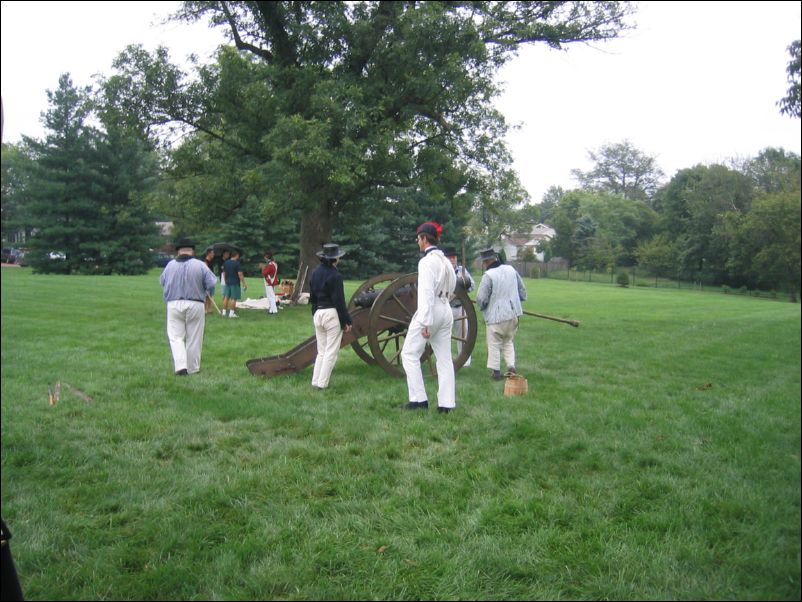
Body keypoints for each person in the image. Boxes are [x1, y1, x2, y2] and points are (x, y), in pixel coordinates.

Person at [401, 221, 457, 413]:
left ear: (424, 239)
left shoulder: (426, 262)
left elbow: (425, 293)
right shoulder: (446, 262)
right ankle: (446, 404)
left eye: (418, 239)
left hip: (431, 309)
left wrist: (425, 321)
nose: (418, 242)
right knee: (444, 359)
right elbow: (453, 286)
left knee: (409, 354)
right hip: (446, 309)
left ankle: (419, 400)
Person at [159, 237, 217, 375]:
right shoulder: (201, 265)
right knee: (194, 337)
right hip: (196, 303)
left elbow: (162, 281)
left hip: (173, 303)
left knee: (175, 337)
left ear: (178, 251)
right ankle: (193, 368)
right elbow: (211, 283)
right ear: (192, 250)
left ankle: (180, 366)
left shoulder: (170, 265)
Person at [475, 248, 527, 380]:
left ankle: (496, 372)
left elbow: (481, 298)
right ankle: (511, 367)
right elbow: (522, 290)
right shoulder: (511, 269)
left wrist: (483, 306)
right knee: (508, 341)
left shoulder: (488, 275)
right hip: (513, 314)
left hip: (496, 317)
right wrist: (517, 301)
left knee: (494, 343)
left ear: (485, 262)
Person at [309, 243, 353, 390]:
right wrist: (346, 321)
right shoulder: (336, 275)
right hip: (331, 313)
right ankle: (322, 384)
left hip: (318, 313)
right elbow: (339, 301)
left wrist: (315, 313)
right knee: (331, 352)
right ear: (336, 259)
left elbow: (313, 297)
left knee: (321, 351)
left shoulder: (315, 273)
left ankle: (315, 381)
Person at [444, 247, 475, 367]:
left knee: (463, 335)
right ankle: (447, 359)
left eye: (454, 257)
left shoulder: (462, 270)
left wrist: (464, 284)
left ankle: (465, 361)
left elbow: (472, 286)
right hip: (446, 308)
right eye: (450, 257)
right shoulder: (443, 271)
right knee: (445, 335)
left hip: (459, 308)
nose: (452, 259)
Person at [221, 248, 247, 318]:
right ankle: (231, 313)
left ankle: (223, 312)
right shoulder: (237, 263)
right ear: (236, 255)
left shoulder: (226, 262)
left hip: (228, 282)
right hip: (235, 282)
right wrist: (244, 283)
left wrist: (226, 280)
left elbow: (224, 273)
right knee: (234, 298)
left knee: (226, 297)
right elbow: (240, 274)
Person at [202, 246, 216, 314]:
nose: (213, 254)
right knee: (206, 296)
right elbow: (205, 272)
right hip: (207, 281)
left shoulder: (211, 261)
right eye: (212, 253)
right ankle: (205, 310)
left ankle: (209, 309)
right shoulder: (205, 262)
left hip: (211, 280)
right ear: (209, 254)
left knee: (211, 295)